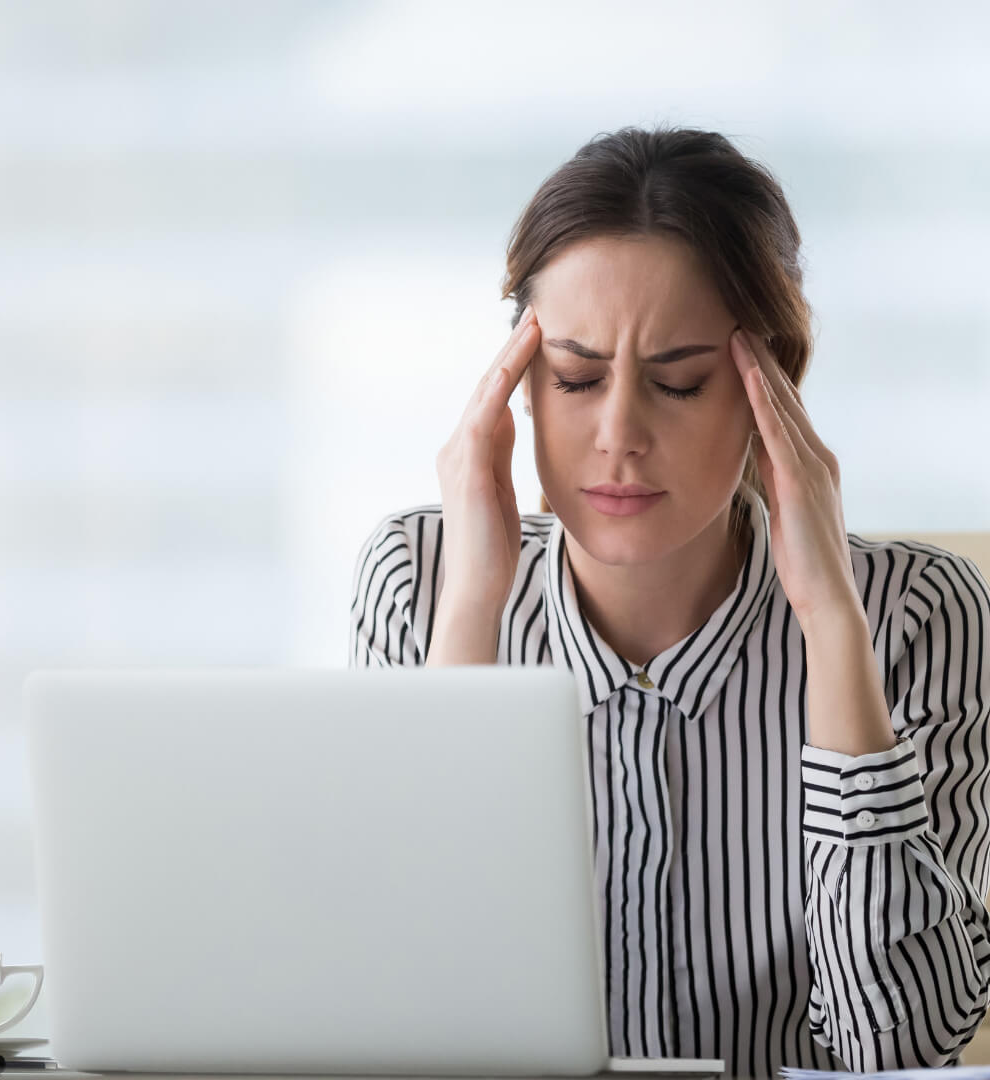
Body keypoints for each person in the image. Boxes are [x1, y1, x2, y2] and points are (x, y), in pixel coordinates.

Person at [347, 125, 990, 1076]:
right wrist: (472, 615)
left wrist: (831, 628)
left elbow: (894, 1047)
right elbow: (395, 1007)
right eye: (574, 377)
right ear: (519, 388)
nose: (618, 436)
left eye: (679, 384)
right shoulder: (421, 579)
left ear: (772, 383)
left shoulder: (916, 615)